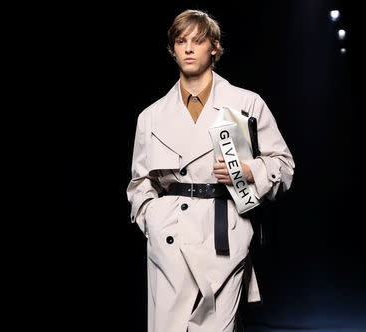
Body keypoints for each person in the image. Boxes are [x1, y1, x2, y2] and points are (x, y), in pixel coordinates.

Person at [126, 9, 294, 332]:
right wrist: (153, 221)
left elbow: (284, 168)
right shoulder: (151, 117)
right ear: (172, 50)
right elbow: (139, 183)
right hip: (169, 245)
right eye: (180, 41)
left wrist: (249, 172)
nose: (188, 48)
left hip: (223, 240)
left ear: (214, 47)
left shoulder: (244, 104)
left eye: (198, 40)